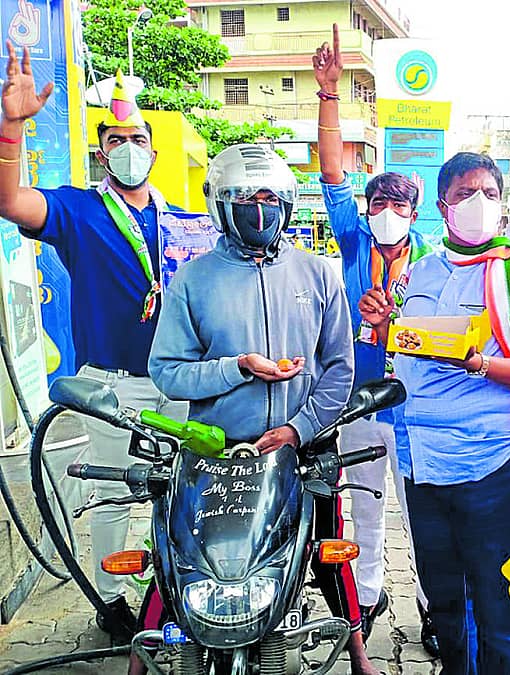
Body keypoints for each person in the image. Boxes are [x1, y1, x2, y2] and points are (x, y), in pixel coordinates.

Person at [148, 144, 380, 675]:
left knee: (327, 547)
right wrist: (237, 368)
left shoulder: (319, 274)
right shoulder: (192, 280)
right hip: (217, 453)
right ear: (221, 206)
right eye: (245, 197)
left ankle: (359, 650)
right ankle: (143, 654)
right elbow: (167, 370)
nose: (260, 207)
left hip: (305, 450)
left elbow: (339, 368)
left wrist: (299, 429)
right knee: (178, 554)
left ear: (289, 205)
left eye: (271, 197)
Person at [0, 48, 187, 641]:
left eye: (138, 138)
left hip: (181, 382)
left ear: (153, 153)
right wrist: (13, 126)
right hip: (112, 386)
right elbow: (11, 202)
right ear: (102, 149)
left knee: (181, 492)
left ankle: (177, 591)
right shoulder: (80, 209)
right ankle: (112, 602)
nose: (128, 147)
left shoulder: (186, 221)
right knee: (110, 496)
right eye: (116, 138)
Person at [359, 152, 510, 674]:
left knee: (498, 601)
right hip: (420, 463)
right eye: (466, 193)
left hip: (491, 459)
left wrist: (479, 364)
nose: (478, 203)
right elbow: (411, 349)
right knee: (445, 601)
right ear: (443, 206)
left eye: (489, 194)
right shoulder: (423, 271)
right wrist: (386, 328)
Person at [312, 23, 439, 653]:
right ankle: (364, 594)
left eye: (399, 202)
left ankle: (433, 601)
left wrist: (399, 325)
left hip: (414, 402)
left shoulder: (438, 261)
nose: (386, 210)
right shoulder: (356, 243)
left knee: (419, 512)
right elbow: (332, 168)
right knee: (362, 499)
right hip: (360, 397)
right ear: (367, 208)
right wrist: (328, 95)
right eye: (377, 201)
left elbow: (447, 335)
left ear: (415, 212)